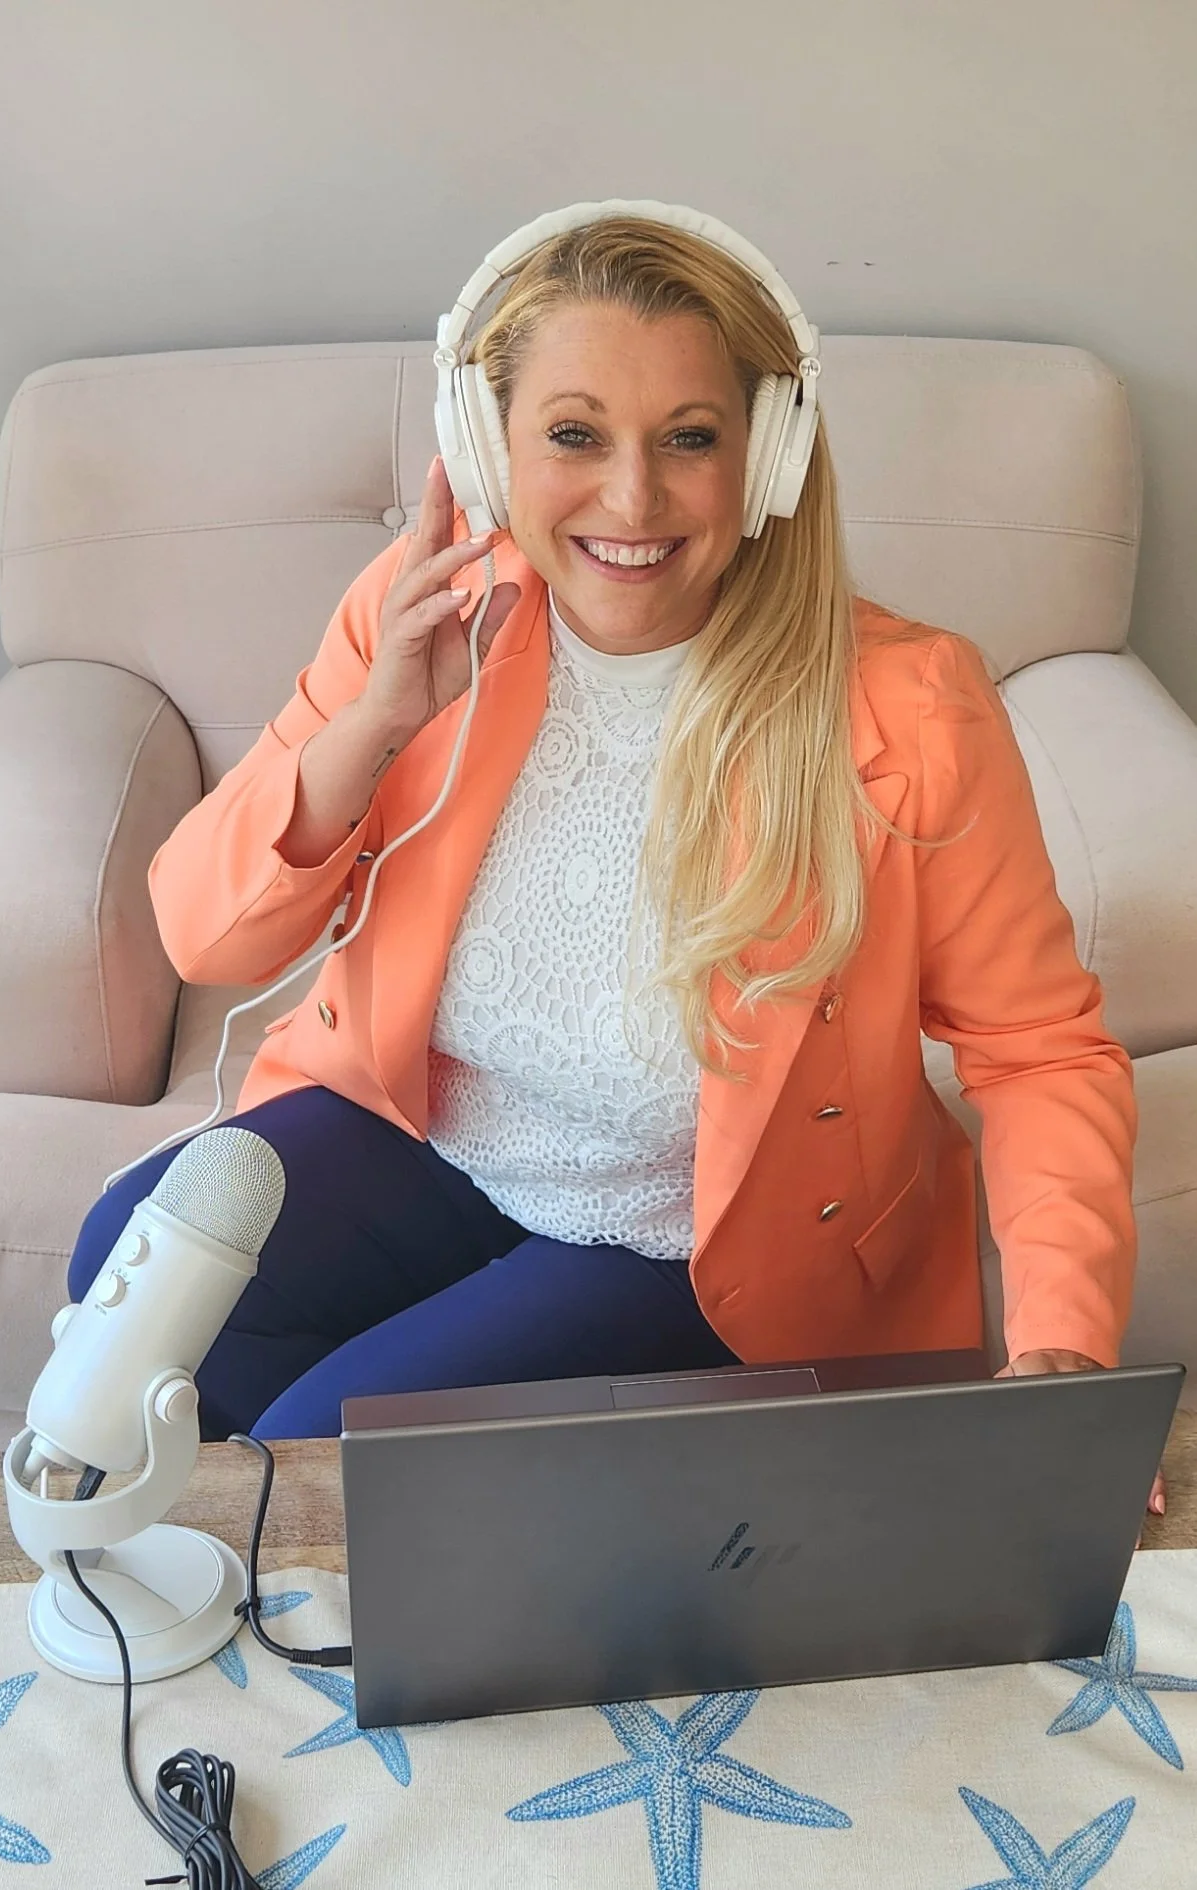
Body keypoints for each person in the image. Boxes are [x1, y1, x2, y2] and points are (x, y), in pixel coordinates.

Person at [65, 209, 1160, 1514]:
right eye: (574, 434)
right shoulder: (422, 615)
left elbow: (1041, 1050)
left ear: (768, 455)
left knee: (328, 1474)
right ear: (490, 449)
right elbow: (204, 938)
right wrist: (370, 730)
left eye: (689, 438)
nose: (632, 500)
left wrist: (1063, 1348)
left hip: (684, 1235)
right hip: (442, 1140)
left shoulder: (910, 707)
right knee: (122, 1266)